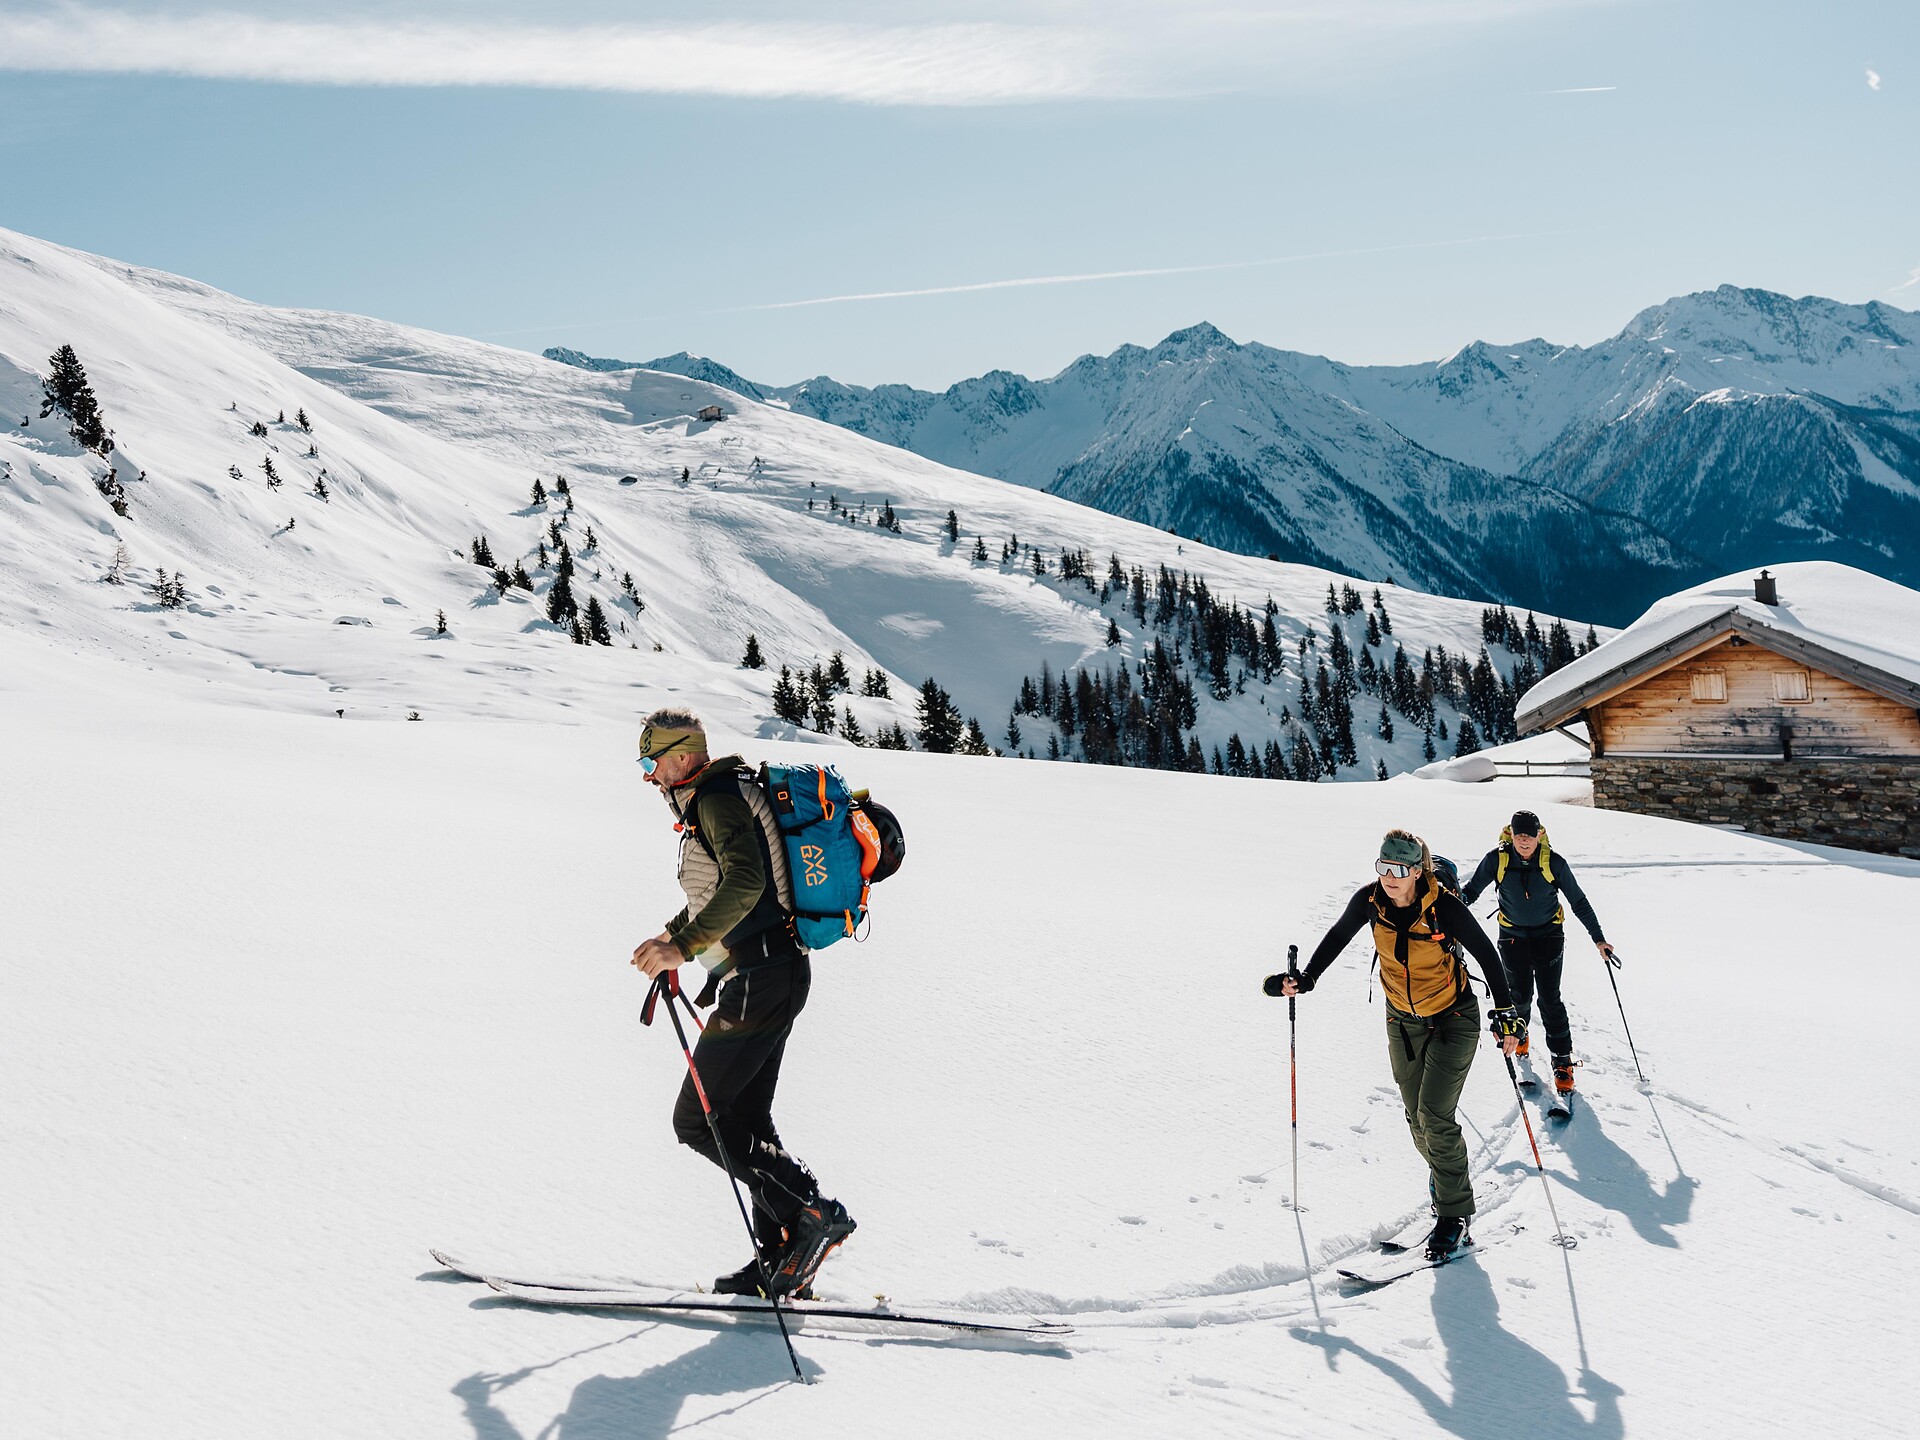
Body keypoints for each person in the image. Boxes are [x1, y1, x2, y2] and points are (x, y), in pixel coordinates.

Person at [629, 707, 855, 1299]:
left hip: (759, 978)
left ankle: (810, 1215)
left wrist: (682, 947)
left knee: (698, 1120)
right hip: (774, 973)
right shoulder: (719, 796)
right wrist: (671, 936)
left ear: (683, 756)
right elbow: (719, 890)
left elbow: (746, 883)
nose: (651, 776)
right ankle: (783, 1256)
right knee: (745, 1119)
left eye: (654, 762)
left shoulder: (715, 798)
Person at [1265, 830, 1525, 1261]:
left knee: (1434, 1113)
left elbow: (1486, 955)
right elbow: (1337, 937)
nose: (1388, 877)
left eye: (1398, 870)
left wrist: (1505, 1011)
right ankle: (1444, 1181)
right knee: (1415, 1117)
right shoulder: (1370, 901)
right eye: (1382, 867)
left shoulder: (1444, 907)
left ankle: (1454, 1215)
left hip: (1454, 1017)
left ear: (1417, 871)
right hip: (1402, 1021)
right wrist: (1306, 978)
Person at [1460, 810, 1613, 1100]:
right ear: (1512, 835)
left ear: (1539, 835)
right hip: (1512, 937)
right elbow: (1471, 892)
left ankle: (1562, 1061)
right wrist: (1451, 909)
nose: (1524, 841)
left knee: (1550, 998)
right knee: (1518, 997)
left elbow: (1578, 900)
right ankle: (1520, 1033)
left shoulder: (1553, 862)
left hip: (1549, 936)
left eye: (1529, 836)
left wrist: (1599, 939)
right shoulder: (1497, 859)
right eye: (1519, 836)